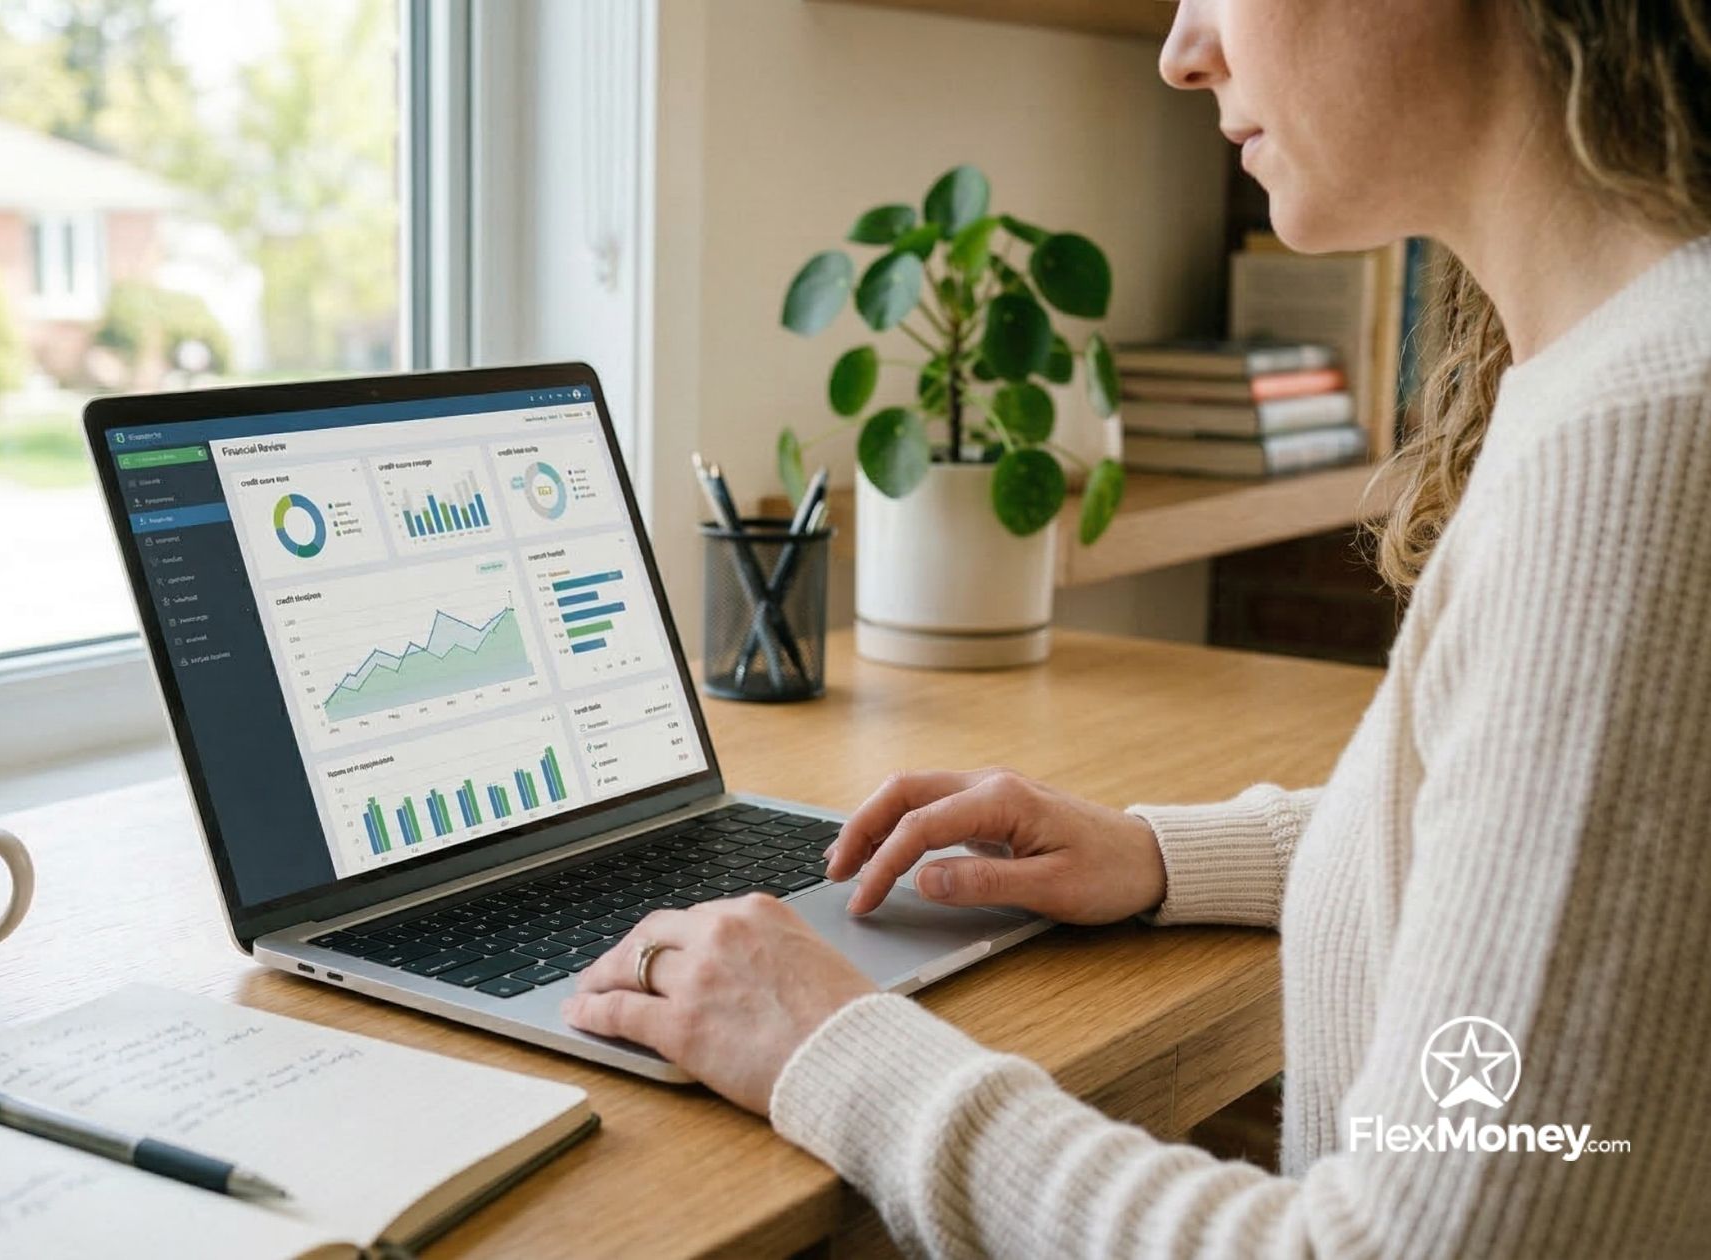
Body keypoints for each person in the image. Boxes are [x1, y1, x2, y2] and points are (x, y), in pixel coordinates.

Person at [564, 0, 1711, 1253]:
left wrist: (829, 1047)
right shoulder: (1636, 379)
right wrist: (1156, 853)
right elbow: (1511, 851)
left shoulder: (1639, 451)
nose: (1180, 51)